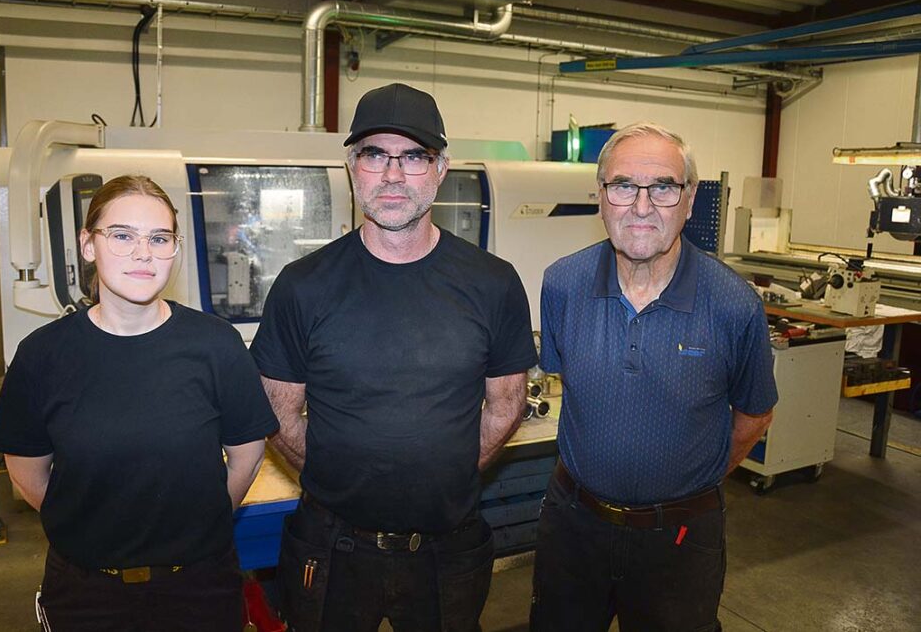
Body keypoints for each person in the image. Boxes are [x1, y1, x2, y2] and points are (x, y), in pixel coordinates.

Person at [250, 82, 537, 632]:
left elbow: (506, 406)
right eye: (375, 154)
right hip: (331, 548)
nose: (393, 174)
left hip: (446, 550)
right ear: (351, 168)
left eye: (413, 156)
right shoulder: (303, 286)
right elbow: (278, 413)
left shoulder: (493, 284)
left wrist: (445, 473)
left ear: (441, 169)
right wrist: (342, 478)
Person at [0, 175, 279, 632]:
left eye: (159, 238)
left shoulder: (216, 345)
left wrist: (195, 533)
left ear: (174, 249)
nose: (144, 253)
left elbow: (246, 457)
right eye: (122, 236)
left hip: (200, 590)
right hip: (86, 594)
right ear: (88, 245)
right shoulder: (43, 355)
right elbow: (27, 472)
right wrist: (89, 531)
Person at [530, 122, 778, 632]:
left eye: (663, 187)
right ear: (601, 197)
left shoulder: (735, 305)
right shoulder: (562, 284)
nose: (641, 207)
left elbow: (755, 415)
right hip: (573, 529)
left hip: (681, 541)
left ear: (689, 199)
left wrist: (687, 484)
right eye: (623, 186)